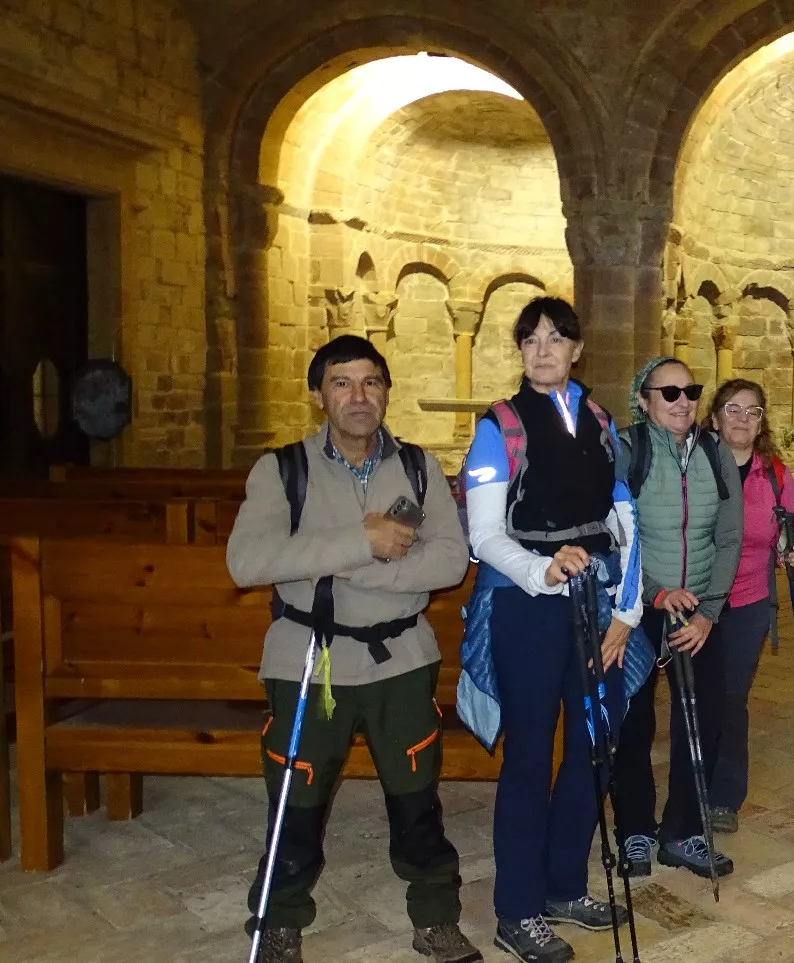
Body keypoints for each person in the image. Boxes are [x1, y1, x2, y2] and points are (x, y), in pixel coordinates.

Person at [227, 335, 480, 963]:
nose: (358, 396)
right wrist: (362, 540)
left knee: (417, 797)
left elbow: (449, 561)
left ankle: (435, 915)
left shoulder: (419, 467)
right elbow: (247, 561)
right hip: (308, 658)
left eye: (371, 382)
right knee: (297, 796)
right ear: (319, 396)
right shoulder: (281, 469)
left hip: (401, 659)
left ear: (386, 392)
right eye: (342, 383)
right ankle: (280, 916)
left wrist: (351, 569)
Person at [460, 297, 640, 963]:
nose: (543, 349)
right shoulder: (498, 427)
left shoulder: (598, 420)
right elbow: (483, 535)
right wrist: (542, 569)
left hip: (599, 611)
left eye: (556, 338)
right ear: (520, 350)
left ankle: (566, 882)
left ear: (577, 348)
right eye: (531, 338)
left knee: (597, 746)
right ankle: (518, 908)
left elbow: (624, 517)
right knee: (531, 756)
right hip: (529, 612)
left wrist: (628, 610)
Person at [612, 356, 743, 880]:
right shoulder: (629, 450)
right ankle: (636, 831)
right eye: (669, 393)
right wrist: (653, 592)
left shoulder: (715, 452)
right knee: (632, 720)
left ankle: (684, 831)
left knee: (704, 720)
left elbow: (729, 535)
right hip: (639, 608)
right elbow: (617, 534)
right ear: (643, 399)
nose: (683, 401)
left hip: (701, 610)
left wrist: (709, 611)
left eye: (691, 390)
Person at [701, 379, 794, 834]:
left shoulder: (776, 473)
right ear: (714, 417)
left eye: (752, 411)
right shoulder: (697, 466)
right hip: (698, 595)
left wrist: (793, 544)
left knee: (731, 695)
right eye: (733, 409)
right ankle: (692, 784)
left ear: (763, 420)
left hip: (748, 598)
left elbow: (792, 520)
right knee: (699, 694)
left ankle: (724, 795)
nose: (742, 419)